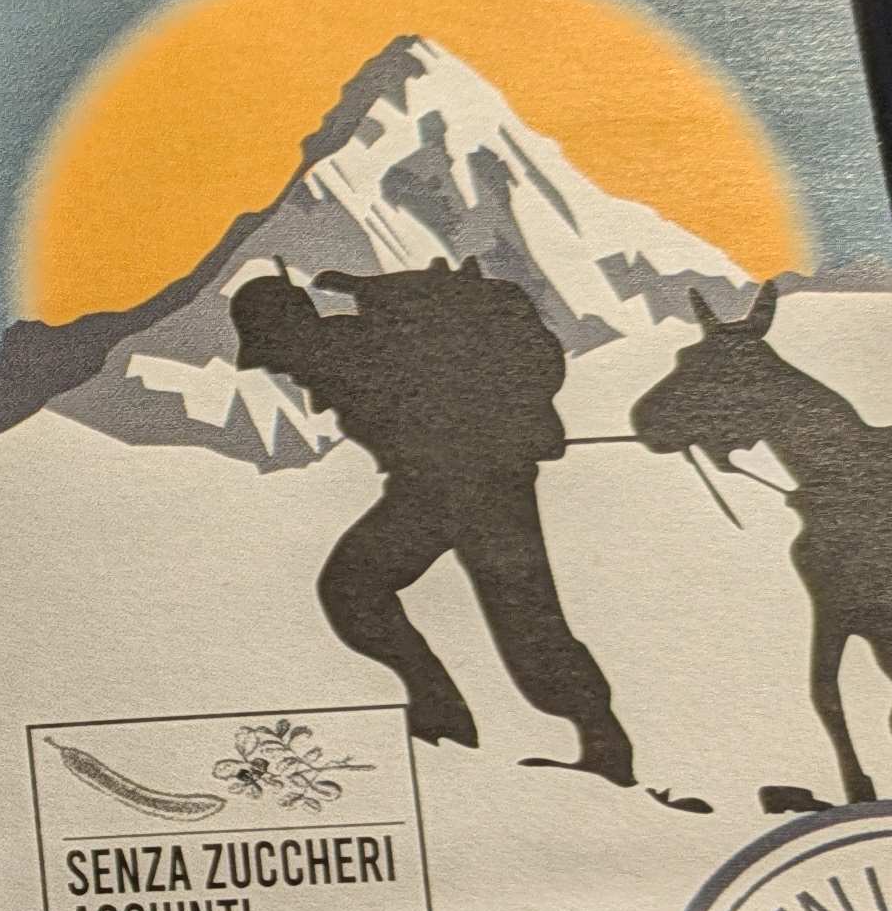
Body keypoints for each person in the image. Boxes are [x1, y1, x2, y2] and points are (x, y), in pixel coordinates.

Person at [229, 264, 634, 784]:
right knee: (366, 589)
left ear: (290, 333)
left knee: (520, 621)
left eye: (274, 352)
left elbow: (441, 379)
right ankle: (449, 715)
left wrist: (380, 294)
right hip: (442, 491)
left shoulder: (359, 347)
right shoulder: (341, 349)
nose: (279, 369)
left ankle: (585, 743)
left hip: (477, 489)